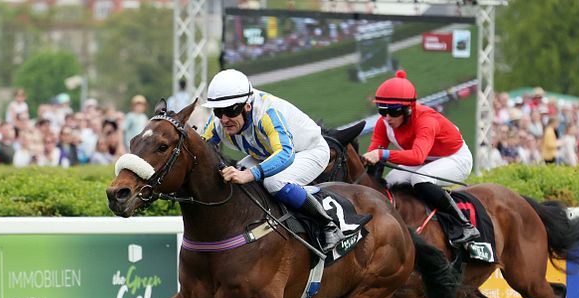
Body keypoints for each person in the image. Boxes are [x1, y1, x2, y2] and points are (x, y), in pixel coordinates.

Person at [201, 69, 343, 252]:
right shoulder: (217, 123)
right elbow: (199, 149)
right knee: (238, 171)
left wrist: (249, 174)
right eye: (218, 111)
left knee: (274, 182)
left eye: (230, 110)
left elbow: (285, 153)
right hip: (268, 153)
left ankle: (328, 224)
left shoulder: (267, 113)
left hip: (310, 151)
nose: (224, 119)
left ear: (247, 106)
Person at [361, 70, 479, 245]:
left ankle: (463, 224)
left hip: (455, 158)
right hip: (428, 160)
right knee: (392, 181)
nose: (387, 118)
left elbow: (416, 157)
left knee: (419, 178)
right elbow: (373, 155)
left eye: (393, 112)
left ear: (409, 109)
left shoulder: (426, 120)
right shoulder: (384, 123)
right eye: (382, 110)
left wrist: (382, 154)